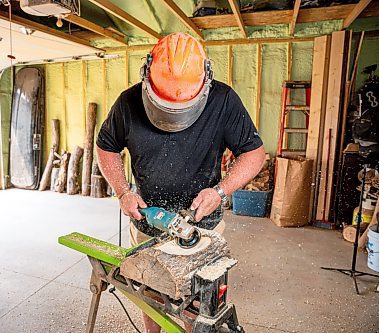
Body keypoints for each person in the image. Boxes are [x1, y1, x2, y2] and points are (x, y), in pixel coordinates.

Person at [96, 32, 266, 333]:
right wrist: (123, 191)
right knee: (149, 291)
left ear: (204, 84)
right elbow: (106, 146)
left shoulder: (223, 101)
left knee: (199, 304)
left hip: (203, 223)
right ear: (147, 78)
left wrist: (220, 191)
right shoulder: (128, 102)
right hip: (147, 219)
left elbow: (254, 154)